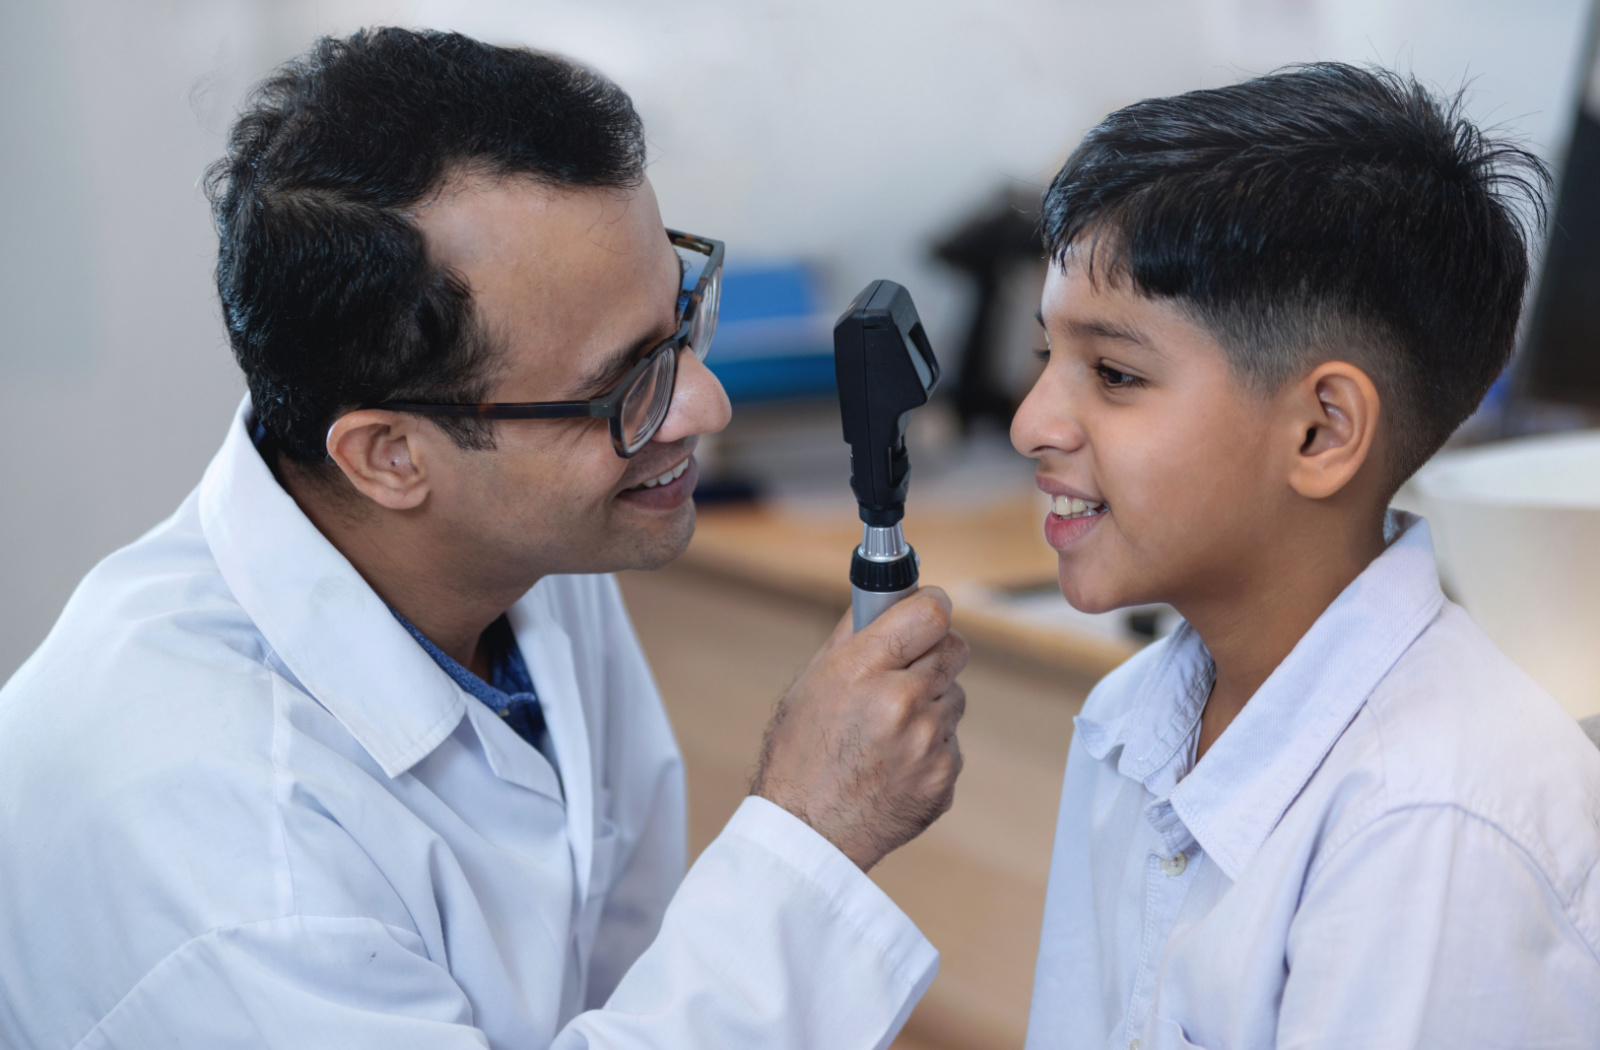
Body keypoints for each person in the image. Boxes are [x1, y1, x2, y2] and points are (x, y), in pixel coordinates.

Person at [0, 29, 969, 1049]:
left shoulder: (514, 549)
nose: (705, 405)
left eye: (683, 321)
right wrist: (810, 832)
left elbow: (615, 968)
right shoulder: (230, 858)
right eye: (626, 381)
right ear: (391, 457)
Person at [1011, 64, 1600, 1048]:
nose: (1035, 423)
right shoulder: (1131, 721)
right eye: (1045, 359)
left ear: (1321, 433)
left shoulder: (1433, 824)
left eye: (1112, 374)